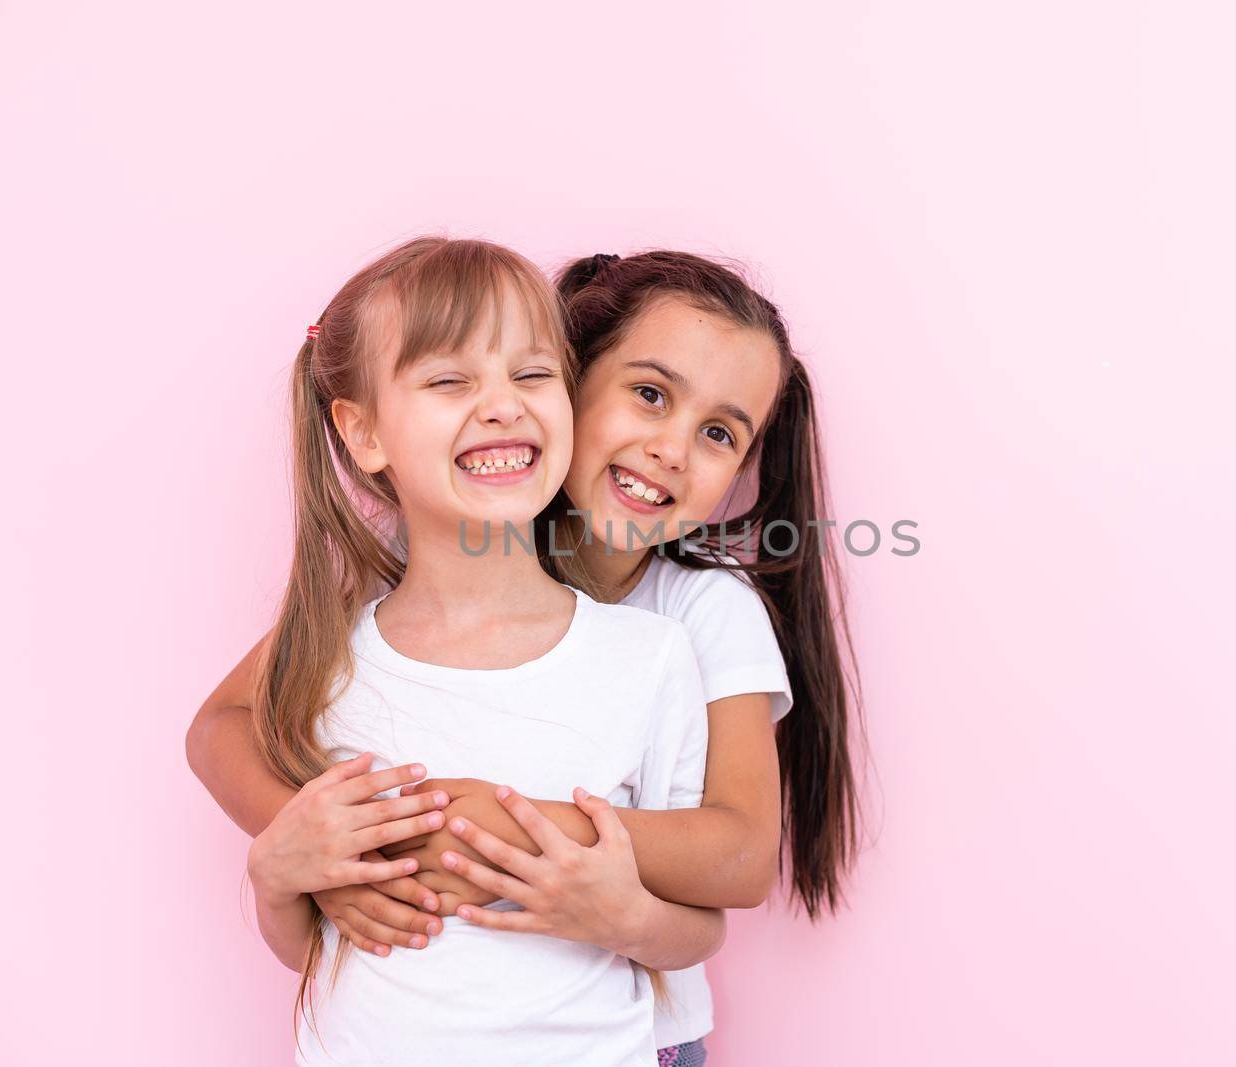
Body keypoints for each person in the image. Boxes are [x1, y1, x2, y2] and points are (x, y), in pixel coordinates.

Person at [188, 249, 864, 1066]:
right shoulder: (432, 559)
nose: (672, 449)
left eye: (718, 433)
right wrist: (330, 847)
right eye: (650, 395)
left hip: (635, 1029)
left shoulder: (691, 621)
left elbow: (739, 855)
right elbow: (220, 728)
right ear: (573, 384)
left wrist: (489, 822)